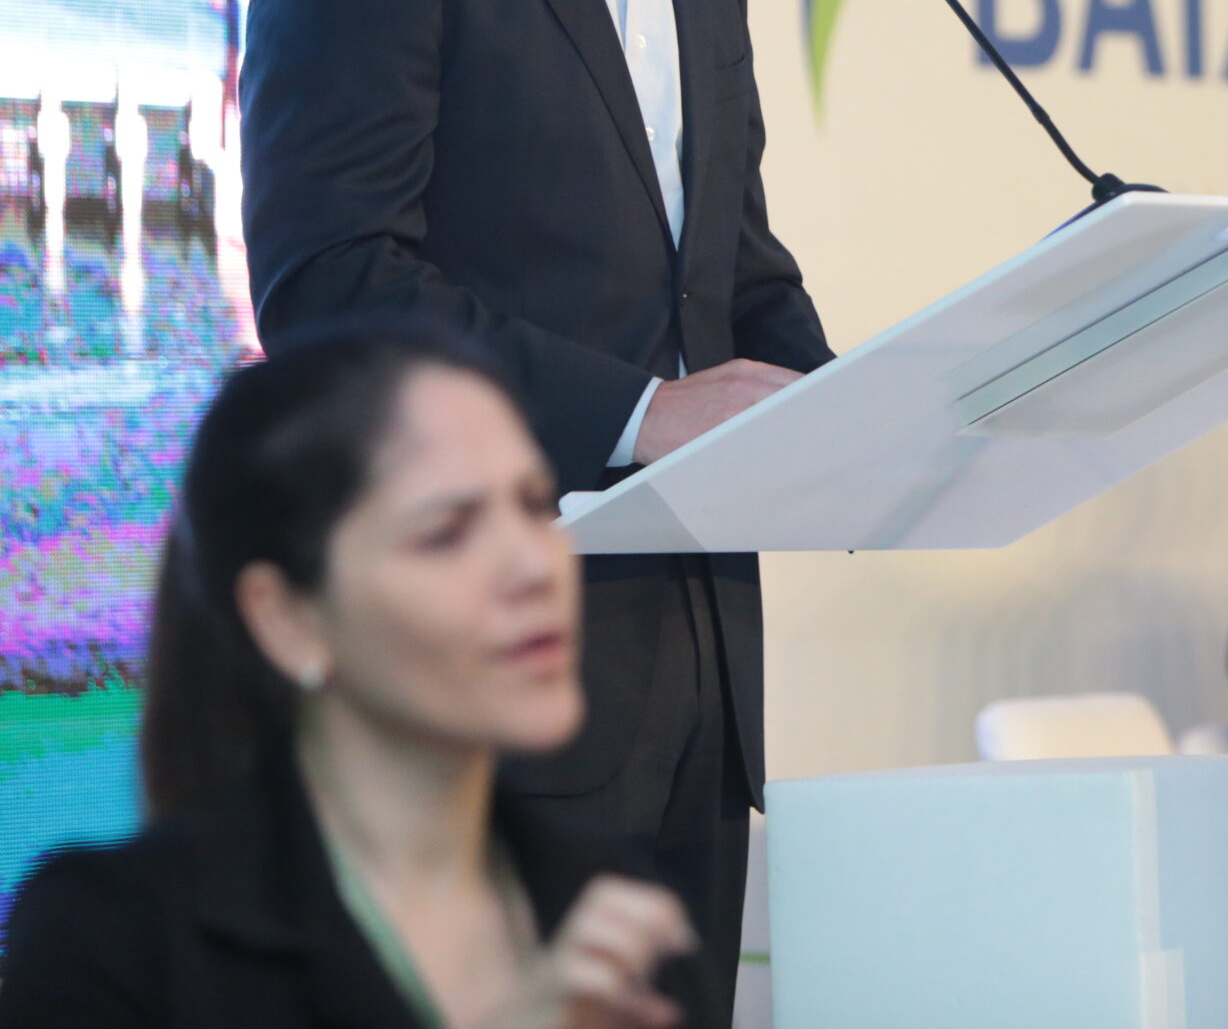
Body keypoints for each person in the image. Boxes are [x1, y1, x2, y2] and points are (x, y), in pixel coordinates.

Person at [239, 0, 831, 1018]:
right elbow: (333, 286)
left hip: (695, 696)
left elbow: (737, 278)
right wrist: (639, 411)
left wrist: (883, 415)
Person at [0, 322, 706, 1028]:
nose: (534, 566)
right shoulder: (111, 938)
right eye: (447, 532)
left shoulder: (618, 922)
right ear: (285, 617)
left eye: (533, 505)